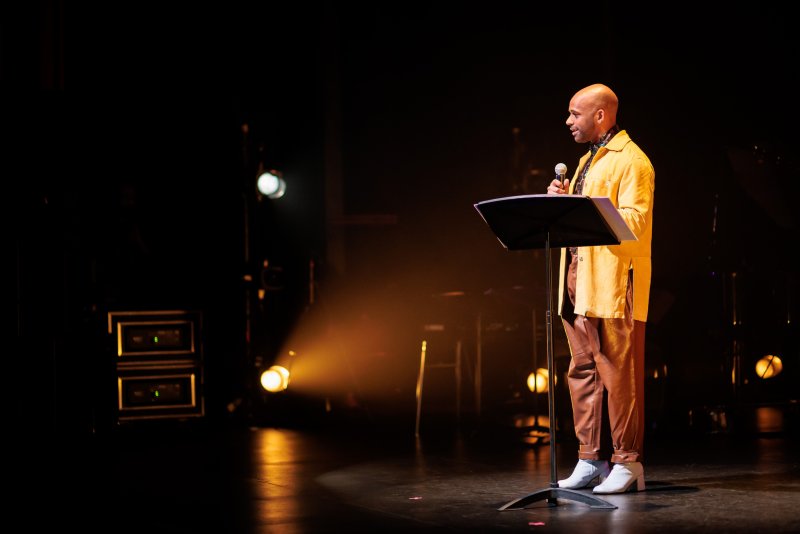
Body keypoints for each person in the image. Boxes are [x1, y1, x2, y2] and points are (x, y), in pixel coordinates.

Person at [546, 83, 655, 494]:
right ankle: (590, 459)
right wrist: (564, 199)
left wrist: (582, 205)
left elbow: (636, 222)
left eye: (575, 114)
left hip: (611, 282)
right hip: (578, 279)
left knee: (618, 372)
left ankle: (628, 462)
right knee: (582, 370)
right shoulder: (586, 160)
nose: (568, 121)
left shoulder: (634, 161)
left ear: (600, 115)